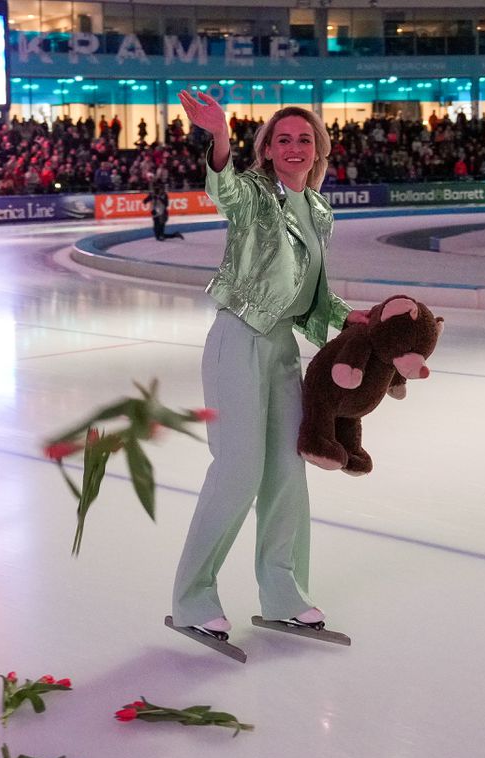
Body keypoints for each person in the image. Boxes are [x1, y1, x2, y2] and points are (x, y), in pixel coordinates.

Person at [170, 90, 369, 640]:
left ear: (319, 149)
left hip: (283, 348)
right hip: (237, 339)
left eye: (304, 138)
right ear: (267, 148)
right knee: (237, 470)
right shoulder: (255, 192)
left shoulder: (319, 209)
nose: (294, 146)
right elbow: (224, 189)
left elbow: (313, 295)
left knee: (287, 470)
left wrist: (352, 318)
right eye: (283, 138)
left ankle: (282, 591)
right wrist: (218, 136)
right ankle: (193, 598)